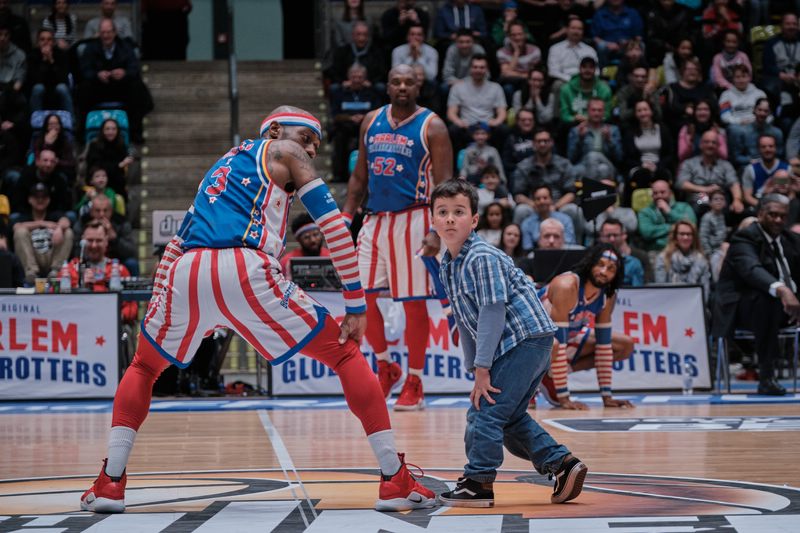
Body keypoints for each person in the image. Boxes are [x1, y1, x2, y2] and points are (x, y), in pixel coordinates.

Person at [80, 105, 437, 514]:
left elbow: (179, 240)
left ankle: (110, 483)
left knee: (144, 367)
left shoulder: (222, 164)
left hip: (187, 272)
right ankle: (394, 478)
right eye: (306, 138)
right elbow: (336, 227)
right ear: (275, 129)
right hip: (246, 267)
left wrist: (169, 294)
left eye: (316, 146)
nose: (310, 150)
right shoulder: (284, 151)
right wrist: (355, 303)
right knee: (344, 352)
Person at [431, 178, 587, 507]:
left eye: (458, 212)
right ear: (432, 219)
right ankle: (563, 465)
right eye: (442, 212)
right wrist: (475, 368)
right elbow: (464, 320)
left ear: (474, 220)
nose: (449, 219)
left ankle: (478, 482)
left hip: (525, 340)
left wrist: (483, 368)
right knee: (509, 418)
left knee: (484, 414)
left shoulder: (480, 257)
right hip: (526, 344)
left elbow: (492, 312)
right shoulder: (448, 264)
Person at [344, 65, 453, 411]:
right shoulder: (371, 120)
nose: (402, 86)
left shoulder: (432, 126)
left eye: (409, 81)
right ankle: (385, 365)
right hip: (374, 220)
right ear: (387, 86)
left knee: (412, 304)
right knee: (360, 298)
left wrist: (438, 229)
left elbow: (446, 184)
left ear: (418, 86)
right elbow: (359, 176)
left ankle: (415, 379)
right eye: (396, 81)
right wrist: (346, 217)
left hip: (415, 219)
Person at [712, 194, 800, 396]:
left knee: (773, 301)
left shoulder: (790, 239)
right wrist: (783, 291)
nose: (778, 220)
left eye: (782, 216)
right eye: (772, 215)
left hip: (786, 306)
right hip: (742, 307)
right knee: (767, 300)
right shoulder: (744, 237)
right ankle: (767, 377)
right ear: (760, 214)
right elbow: (751, 270)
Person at [538, 242, 635, 410]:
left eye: (611, 269)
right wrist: (564, 398)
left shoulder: (607, 296)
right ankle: (533, 380)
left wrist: (607, 397)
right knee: (553, 344)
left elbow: (604, 346)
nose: (604, 272)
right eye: (600, 265)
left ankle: (552, 374)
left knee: (624, 345)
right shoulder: (567, 285)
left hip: (561, 343)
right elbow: (558, 342)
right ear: (590, 263)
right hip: (532, 342)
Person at [78, 18, 148, 144]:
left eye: (109, 32)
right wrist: (97, 75)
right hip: (98, 88)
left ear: (115, 32)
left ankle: (135, 132)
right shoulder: (91, 48)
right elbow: (84, 70)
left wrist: (124, 73)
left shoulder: (125, 47)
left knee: (136, 87)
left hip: (120, 87)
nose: (106, 36)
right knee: (84, 88)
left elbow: (134, 68)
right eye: (103, 32)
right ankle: (82, 132)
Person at [67, 220, 137, 322]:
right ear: (82, 241)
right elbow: (62, 304)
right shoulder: (70, 269)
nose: (94, 245)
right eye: (90, 240)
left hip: (112, 325)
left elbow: (132, 306)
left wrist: (117, 317)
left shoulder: (119, 270)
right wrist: (80, 286)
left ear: (106, 242)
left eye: (98, 240)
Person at [329, 64, 382, 183]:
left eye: (360, 77)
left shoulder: (372, 93)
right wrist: (350, 118)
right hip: (345, 126)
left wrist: (364, 117)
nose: (357, 80)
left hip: (367, 126)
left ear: (365, 79)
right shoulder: (339, 93)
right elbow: (335, 115)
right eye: (354, 77)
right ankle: (339, 175)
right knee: (339, 137)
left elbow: (378, 112)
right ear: (349, 77)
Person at [511, 128, 575, 225]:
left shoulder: (564, 164)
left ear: (552, 142)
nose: (542, 144)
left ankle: (574, 240)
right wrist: (535, 205)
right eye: (539, 141)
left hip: (558, 205)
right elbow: (518, 195)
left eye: (546, 141)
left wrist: (555, 206)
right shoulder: (523, 166)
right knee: (521, 210)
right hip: (533, 205)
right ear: (533, 144)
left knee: (572, 209)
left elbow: (571, 193)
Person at [12, 182, 73, 283]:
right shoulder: (24, 216)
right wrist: (41, 223)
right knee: (20, 232)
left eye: (43, 197)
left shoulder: (54, 214)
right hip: (33, 257)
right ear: (30, 199)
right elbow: (16, 227)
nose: (40, 200)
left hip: (52, 256)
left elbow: (66, 222)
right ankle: (31, 273)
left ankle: (56, 271)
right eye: (36, 197)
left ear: (48, 200)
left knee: (68, 232)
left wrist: (59, 229)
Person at [447, 54, 508, 151]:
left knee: (503, 129)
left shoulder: (496, 87)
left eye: (482, 67)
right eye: (475, 67)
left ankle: (499, 163)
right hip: (467, 127)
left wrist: (497, 121)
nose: (478, 70)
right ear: (470, 68)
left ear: (487, 69)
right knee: (453, 130)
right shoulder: (458, 87)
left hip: (488, 127)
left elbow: (502, 112)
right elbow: (451, 112)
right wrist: (459, 122)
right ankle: (457, 164)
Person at [677, 129, 742, 213]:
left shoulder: (726, 165)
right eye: (706, 142)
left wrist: (737, 200)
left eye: (713, 142)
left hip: (719, 199)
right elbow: (681, 184)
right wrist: (705, 189)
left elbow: (734, 183)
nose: (710, 145)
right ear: (700, 144)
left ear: (718, 146)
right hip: (697, 198)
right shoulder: (689, 163)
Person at [73, 193, 137, 275]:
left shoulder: (121, 223)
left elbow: (131, 252)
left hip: (116, 261)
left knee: (132, 263)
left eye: (105, 210)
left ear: (111, 211)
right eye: (97, 210)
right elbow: (76, 252)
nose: (101, 214)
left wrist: (115, 239)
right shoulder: (82, 223)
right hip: (89, 260)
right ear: (91, 211)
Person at [566, 98, 622, 182]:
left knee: (593, 156)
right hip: (583, 164)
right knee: (603, 169)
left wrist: (609, 140)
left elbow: (619, 158)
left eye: (599, 110)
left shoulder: (612, 130)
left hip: (607, 163)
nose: (596, 113)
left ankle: (589, 190)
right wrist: (580, 139)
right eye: (593, 110)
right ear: (587, 111)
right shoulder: (577, 130)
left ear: (603, 112)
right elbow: (571, 158)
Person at [638, 178, 697, 252]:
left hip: (682, 250)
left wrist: (669, 212)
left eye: (662, 192)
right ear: (652, 195)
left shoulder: (684, 206)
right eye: (655, 193)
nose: (659, 195)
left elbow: (692, 224)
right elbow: (647, 233)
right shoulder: (645, 212)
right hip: (656, 250)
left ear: (670, 193)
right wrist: (673, 227)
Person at [325, 21, 387, 92]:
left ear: (368, 36)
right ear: (353, 35)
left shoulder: (376, 52)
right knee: (334, 87)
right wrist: (342, 82)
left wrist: (371, 82)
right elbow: (335, 71)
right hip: (347, 83)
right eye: (358, 34)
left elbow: (382, 72)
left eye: (365, 35)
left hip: (368, 83)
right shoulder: (342, 51)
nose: (361, 38)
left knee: (380, 87)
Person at [654, 220, 710, 297]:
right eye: (682, 234)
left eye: (689, 234)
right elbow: (659, 289)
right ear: (675, 236)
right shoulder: (663, 258)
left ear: (694, 237)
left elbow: (705, 292)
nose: (685, 237)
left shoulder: (701, 261)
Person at [26, 28, 72, 114]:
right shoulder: (32, 56)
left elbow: (63, 79)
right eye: (42, 39)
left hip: (56, 88)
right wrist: (44, 61)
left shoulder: (61, 55)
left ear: (54, 42)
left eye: (49, 39)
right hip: (41, 89)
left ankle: (71, 123)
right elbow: (34, 81)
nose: (45, 42)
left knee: (62, 88)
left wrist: (51, 61)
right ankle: (36, 122)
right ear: (37, 42)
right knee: (38, 88)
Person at [84, 118, 134, 197]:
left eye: (113, 129)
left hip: (117, 181)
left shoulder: (121, 145)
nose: (110, 132)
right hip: (99, 180)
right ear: (102, 131)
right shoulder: (94, 145)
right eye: (107, 129)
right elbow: (96, 166)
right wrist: (119, 165)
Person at [559, 56, 612, 126]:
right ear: (579, 69)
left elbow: (607, 115)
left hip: (597, 124)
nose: (587, 70)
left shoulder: (604, 89)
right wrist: (573, 118)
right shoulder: (566, 89)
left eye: (591, 67)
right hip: (573, 124)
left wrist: (590, 119)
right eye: (584, 67)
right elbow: (564, 115)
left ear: (595, 70)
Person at [520, 184, 576, 251]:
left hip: (563, 254)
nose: (542, 201)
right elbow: (527, 247)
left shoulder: (565, 220)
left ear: (551, 200)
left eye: (545, 198)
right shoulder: (527, 223)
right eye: (538, 199)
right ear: (534, 202)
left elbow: (570, 243)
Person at [496, 20, 541, 101]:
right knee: (507, 88)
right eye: (513, 35)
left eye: (520, 34)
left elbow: (533, 75)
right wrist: (516, 52)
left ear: (525, 35)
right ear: (509, 37)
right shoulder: (501, 52)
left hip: (528, 84)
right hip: (510, 84)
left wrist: (514, 74)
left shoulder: (535, 50)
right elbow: (505, 74)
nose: (517, 38)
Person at [546, 18, 598, 89]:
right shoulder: (555, 49)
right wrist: (570, 79)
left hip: (586, 80)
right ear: (567, 29)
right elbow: (553, 71)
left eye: (579, 29)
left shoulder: (590, 50)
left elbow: (597, 71)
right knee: (557, 85)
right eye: (573, 28)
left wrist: (584, 79)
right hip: (565, 81)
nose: (576, 31)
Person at [741, 134, 790, 209]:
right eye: (763, 147)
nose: (767, 149)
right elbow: (747, 197)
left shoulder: (787, 168)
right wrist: (765, 208)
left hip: (784, 208)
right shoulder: (750, 169)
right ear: (758, 149)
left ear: (776, 148)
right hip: (759, 207)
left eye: (771, 146)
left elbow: (791, 194)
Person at [591, 0, 643, 67]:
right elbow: (595, 37)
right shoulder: (599, 14)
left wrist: (630, 43)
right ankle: (603, 73)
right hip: (607, 46)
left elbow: (638, 37)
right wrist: (608, 44)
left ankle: (638, 71)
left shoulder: (632, 13)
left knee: (641, 45)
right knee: (601, 47)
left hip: (628, 45)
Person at [677, 98, 729, 163]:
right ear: (694, 112)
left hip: (714, 166)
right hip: (691, 166)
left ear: (711, 112)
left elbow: (724, 156)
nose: (702, 112)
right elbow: (681, 156)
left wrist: (716, 139)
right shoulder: (686, 130)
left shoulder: (718, 130)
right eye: (699, 109)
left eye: (706, 109)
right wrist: (691, 139)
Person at [30, 112, 76, 182]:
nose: (54, 127)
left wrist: (57, 162)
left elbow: (71, 162)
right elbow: (37, 159)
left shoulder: (65, 140)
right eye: (51, 124)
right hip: (41, 169)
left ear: (60, 126)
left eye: (56, 124)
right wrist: (47, 144)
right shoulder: (39, 139)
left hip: (60, 169)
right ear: (46, 126)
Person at [599, 218, 645, 286]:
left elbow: (638, 291)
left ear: (623, 236)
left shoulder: (634, 263)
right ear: (601, 237)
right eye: (608, 236)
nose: (612, 239)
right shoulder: (592, 262)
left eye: (615, 235)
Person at [719, 65, 766, 130]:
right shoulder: (726, 95)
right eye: (737, 77)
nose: (741, 80)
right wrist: (739, 121)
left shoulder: (760, 94)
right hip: (736, 126)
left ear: (749, 78)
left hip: (756, 125)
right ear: (733, 79)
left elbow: (768, 115)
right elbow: (724, 115)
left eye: (744, 76)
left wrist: (754, 122)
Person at [441, 28, 485, 93]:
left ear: (473, 42)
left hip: (475, 83)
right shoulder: (451, 50)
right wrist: (460, 84)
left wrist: (465, 83)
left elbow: (485, 73)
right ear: (456, 42)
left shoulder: (479, 50)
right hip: (454, 83)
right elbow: (447, 75)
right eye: (461, 42)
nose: (464, 45)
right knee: (444, 88)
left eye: (468, 42)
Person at [501, 107, 535, 177]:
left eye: (530, 120)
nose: (527, 122)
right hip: (518, 174)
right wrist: (522, 169)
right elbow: (506, 163)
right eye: (523, 120)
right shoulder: (511, 138)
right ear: (517, 121)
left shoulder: (541, 136)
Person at [699, 189, 728, 258]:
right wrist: (708, 254)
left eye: (721, 199)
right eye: (716, 199)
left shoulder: (723, 216)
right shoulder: (707, 217)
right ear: (710, 202)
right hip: (712, 252)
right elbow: (703, 238)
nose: (719, 202)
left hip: (722, 249)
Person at [0, 21, 25, 93]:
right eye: (0, 34)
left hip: (10, 91)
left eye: (6, 35)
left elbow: (19, 80)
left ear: (9, 36)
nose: (2, 38)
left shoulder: (19, 55)